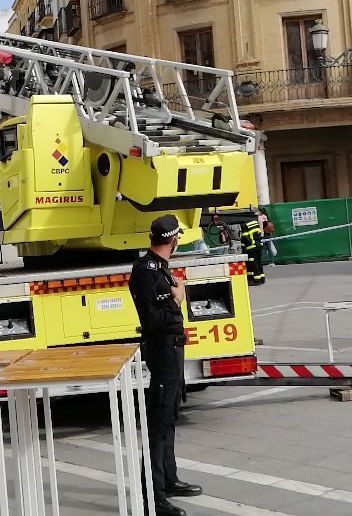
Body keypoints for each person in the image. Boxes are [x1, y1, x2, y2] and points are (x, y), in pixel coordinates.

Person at [129, 215, 202, 516]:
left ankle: (167, 478)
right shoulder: (147, 271)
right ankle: (152, 498)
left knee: (169, 415)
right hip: (162, 350)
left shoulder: (158, 268)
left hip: (172, 350)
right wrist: (178, 298)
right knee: (158, 422)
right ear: (174, 240)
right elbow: (153, 320)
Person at [241, 216, 265, 286]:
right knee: (259, 263)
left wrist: (243, 247)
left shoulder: (245, 228)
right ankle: (262, 279)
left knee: (253, 264)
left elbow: (245, 239)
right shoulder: (255, 225)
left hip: (251, 249)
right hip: (258, 247)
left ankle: (257, 280)